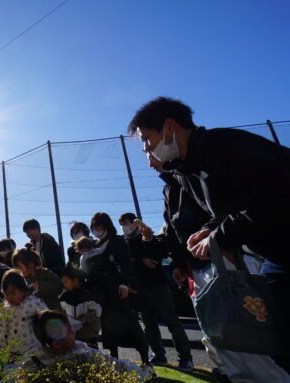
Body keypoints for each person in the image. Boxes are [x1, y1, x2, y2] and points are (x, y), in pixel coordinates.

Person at [129, 96, 290, 373]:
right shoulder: (187, 171)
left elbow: (273, 197)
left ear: (169, 127)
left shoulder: (223, 146)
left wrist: (219, 236)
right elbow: (233, 207)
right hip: (276, 254)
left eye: (146, 139)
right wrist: (210, 228)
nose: (147, 149)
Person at [153, 154, 289, 381]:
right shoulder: (169, 188)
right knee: (221, 337)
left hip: (227, 261)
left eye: (149, 144)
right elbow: (173, 230)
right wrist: (178, 262)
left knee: (250, 336)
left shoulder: (200, 168)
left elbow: (228, 209)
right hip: (197, 267)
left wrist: (224, 240)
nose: (150, 158)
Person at [119, 212, 193, 371]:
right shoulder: (124, 242)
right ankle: (159, 355)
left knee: (172, 321)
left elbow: (160, 252)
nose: (126, 226)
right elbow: (128, 262)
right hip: (139, 288)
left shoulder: (147, 236)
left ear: (135, 223)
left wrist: (147, 237)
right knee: (149, 324)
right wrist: (140, 261)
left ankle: (186, 358)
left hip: (157, 285)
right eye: (123, 223)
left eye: (128, 222)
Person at [87, 212, 150, 366]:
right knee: (108, 327)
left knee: (131, 324)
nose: (97, 229)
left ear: (107, 225)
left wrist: (124, 284)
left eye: (100, 225)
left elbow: (126, 263)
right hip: (103, 293)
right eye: (94, 226)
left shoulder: (117, 240)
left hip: (118, 290)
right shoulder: (94, 245)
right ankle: (114, 360)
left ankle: (146, 362)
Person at [29, 310, 154, 381]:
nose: (73, 332)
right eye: (69, 331)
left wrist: (138, 372)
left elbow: (112, 363)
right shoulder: (37, 359)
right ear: (56, 344)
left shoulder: (82, 350)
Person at [0, 269, 49, 358]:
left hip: (34, 349)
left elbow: (48, 318)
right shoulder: (6, 308)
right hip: (14, 352)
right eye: (6, 294)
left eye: (13, 293)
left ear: (23, 289)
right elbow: (2, 328)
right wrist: (1, 349)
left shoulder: (33, 302)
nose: (9, 297)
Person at [60, 265, 102, 349]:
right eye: (63, 283)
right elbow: (63, 311)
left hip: (87, 334)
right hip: (73, 334)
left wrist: (87, 318)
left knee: (91, 354)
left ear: (75, 281)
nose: (65, 285)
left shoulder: (87, 295)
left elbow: (97, 310)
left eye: (66, 281)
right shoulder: (64, 297)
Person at [12, 244, 63, 310]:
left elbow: (59, 286)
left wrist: (39, 286)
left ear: (31, 264)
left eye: (21, 267)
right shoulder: (22, 280)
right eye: (17, 267)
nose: (19, 270)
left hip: (52, 314)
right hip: (34, 316)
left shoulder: (45, 273)